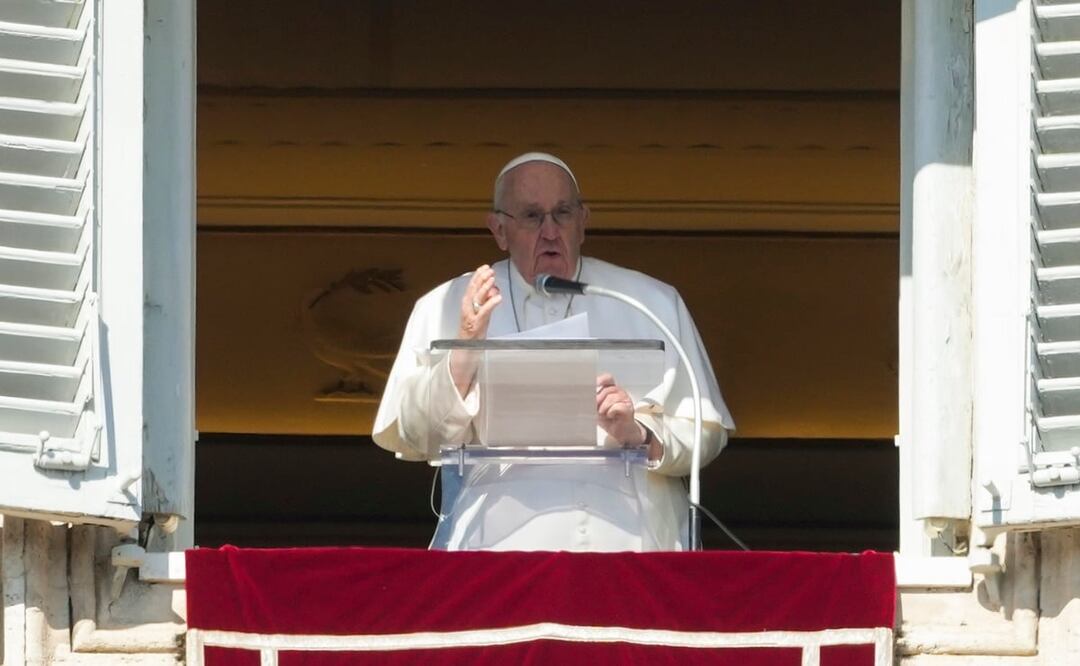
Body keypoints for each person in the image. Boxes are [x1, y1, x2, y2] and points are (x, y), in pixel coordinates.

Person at [373, 153, 734, 551]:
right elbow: (413, 434)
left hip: (630, 544)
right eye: (531, 216)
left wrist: (639, 434)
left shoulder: (649, 302)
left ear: (583, 222)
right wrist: (465, 350)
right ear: (499, 230)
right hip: (497, 551)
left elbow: (705, 432)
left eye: (562, 213)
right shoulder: (447, 304)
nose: (549, 231)